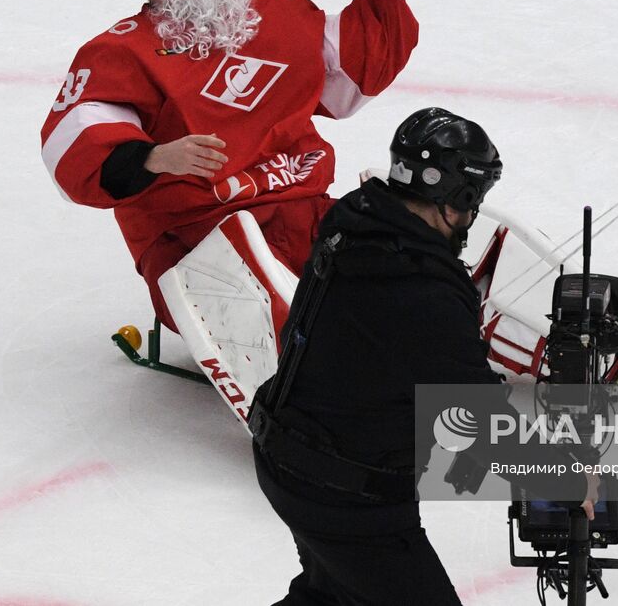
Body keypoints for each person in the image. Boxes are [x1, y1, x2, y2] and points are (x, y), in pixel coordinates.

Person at [249, 108, 596, 606]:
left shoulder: (353, 219)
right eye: (473, 202)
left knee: (334, 595)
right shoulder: (419, 288)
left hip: (286, 452)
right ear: (458, 196)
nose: (472, 218)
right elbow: (476, 419)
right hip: (343, 493)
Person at [40, 0, 417, 338]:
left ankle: (471, 401)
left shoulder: (274, 15)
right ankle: (408, 397)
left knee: (419, 280)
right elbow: (71, 148)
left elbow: (361, 64)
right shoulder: (122, 52)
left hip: (302, 215)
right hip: (197, 243)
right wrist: (154, 158)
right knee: (333, 336)